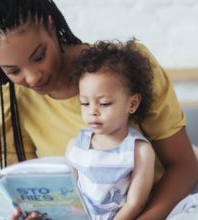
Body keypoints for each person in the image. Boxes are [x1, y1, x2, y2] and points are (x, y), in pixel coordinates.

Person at [0, 0, 198, 219]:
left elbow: (184, 167)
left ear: (51, 27)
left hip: (158, 211)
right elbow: (31, 197)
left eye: (39, 56)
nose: (32, 78)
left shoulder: (124, 69)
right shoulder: (9, 103)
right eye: (13, 70)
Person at [66, 40, 155, 220]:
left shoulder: (139, 151)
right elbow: (70, 194)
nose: (92, 111)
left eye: (104, 103)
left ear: (132, 103)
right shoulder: (76, 145)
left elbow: (134, 204)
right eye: (85, 103)